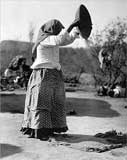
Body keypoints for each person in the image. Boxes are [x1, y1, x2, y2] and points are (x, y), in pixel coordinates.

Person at [20, 19, 80, 140]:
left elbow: (66, 40)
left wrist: (75, 30)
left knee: (55, 101)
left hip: (54, 73)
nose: (60, 31)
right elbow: (60, 39)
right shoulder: (45, 40)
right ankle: (39, 130)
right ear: (51, 30)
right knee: (42, 102)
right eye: (58, 29)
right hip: (43, 74)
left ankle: (50, 128)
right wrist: (71, 25)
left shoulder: (53, 40)